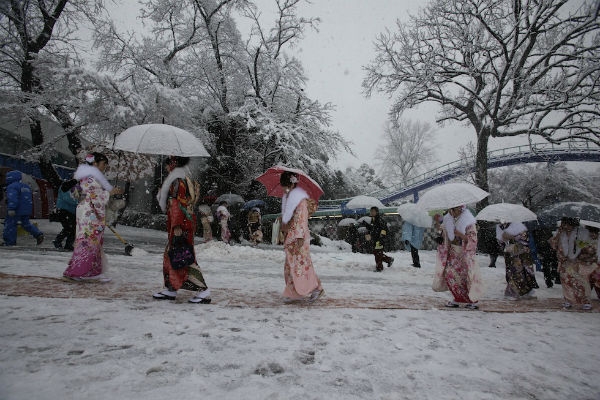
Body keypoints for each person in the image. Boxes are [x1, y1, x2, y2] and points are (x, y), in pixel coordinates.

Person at [153, 156, 211, 303]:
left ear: (174, 164)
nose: (166, 168)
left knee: (183, 256)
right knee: (175, 254)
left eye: (168, 165)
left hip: (180, 223)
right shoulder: (185, 177)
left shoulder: (178, 180)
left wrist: (177, 224)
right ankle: (172, 288)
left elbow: (176, 203)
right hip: (186, 221)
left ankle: (203, 290)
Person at [63, 153, 122, 282]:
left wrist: (109, 192)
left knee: (92, 241)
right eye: (103, 164)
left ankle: (91, 271)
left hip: (89, 210)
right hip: (90, 211)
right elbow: (94, 196)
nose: (105, 166)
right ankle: (80, 271)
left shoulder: (87, 176)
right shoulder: (90, 177)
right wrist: (109, 193)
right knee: (88, 241)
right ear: (95, 163)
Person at [279, 170, 324, 302]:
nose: (284, 189)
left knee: (300, 265)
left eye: (286, 186)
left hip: (299, 236)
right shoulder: (291, 199)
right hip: (293, 235)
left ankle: (314, 288)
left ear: (292, 185)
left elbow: (301, 219)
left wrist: (299, 236)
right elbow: (292, 218)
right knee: (293, 265)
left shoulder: (300, 200)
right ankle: (295, 291)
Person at [432, 205, 484, 309]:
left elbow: (472, 240)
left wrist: (459, 234)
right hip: (453, 252)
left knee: (466, 277)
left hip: (464, 254)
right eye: (451, 209)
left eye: (454, 209)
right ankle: (457, 297)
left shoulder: (468, 221)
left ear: (460, 209)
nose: (452, 212)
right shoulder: (449, 219)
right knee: (450, 274)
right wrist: (437, 222)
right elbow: (442, 231)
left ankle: (472, 299)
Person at [549, 217, 594, 310]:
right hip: (564, 262)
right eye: (563, 224)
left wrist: (579, 257)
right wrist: (559, 233)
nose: (565, 226)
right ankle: (568, 300)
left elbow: (587, 247)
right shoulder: (561, 233)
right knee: (566, 282)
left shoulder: (582, 233)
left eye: (567, 224)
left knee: (582, 282)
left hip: (578, 262)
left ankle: (586, 300)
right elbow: (553, 245)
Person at [496, 221, 539, 300]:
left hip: (522, 254)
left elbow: (525, 239)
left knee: (522, 273)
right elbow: (500, 241)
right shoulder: (500, 226)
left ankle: (524, 291)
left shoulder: (518, 225)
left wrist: (512, 237)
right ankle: (514, 292)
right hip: (510, 253)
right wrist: (503, 239)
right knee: (512, 272)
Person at [2, 170, 44, 246]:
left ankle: (9, 242)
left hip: (16, 209)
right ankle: (38, 234)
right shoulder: (26, 186)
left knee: (10, 225)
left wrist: (11, 208)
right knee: (26, 224)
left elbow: (13, 198)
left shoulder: (12, 186)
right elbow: (26, 199)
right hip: (26, 210)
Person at [52, 178, 79, 251]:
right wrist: (78, 202)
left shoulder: (73, 188)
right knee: (68, 227)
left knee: (73, 228)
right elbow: (68, 199)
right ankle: (58, 241)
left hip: (71, 212)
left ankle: (68, 244)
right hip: (63, 211)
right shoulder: (64, 187)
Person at [365, 207, 394, 272]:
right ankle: (389, 259)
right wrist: (366, 225)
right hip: (375, 239)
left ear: (377, 212)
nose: (371, 212)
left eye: (373, 211)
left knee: (378, 254)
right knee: (376, 253)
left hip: (379, 239)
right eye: (371, 211)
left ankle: (379, 268)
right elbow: (373, 229)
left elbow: (384, 230)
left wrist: (381, 239)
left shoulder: (379, 220)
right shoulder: (373, 219)